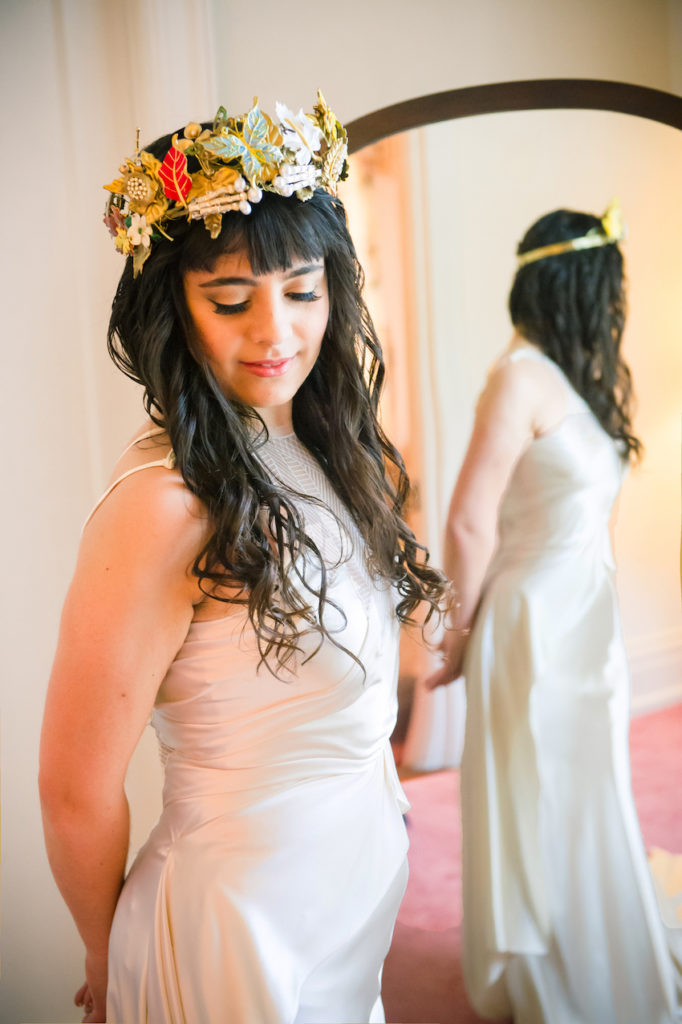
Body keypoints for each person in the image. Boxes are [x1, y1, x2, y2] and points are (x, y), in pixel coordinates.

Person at [39, 93, 445, 1024]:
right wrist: (113, 965)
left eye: (303, 291)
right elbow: (72, 790)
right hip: (238, 935)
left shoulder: (311, 440)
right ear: (171, 311)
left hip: (339, 916)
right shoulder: (161, 508)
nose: (276, 334)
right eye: (231, 300)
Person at [426, 202, 680, 1023]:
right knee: (544, 793)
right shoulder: (519, 376)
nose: (615, 308)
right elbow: (467, 520)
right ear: (577, 287)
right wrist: (460, 640)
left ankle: (600, 946)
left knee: (589, 792)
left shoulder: (564, 377)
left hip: (583, 621)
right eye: (610, 290)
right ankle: (558, 976)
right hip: (532, 627)